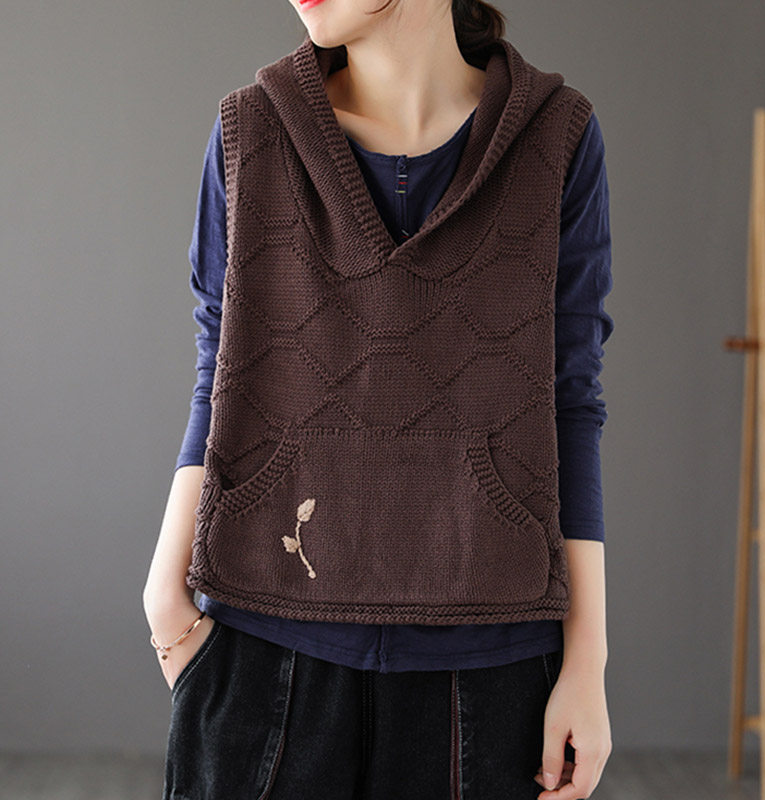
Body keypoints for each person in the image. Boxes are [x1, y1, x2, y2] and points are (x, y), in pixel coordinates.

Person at [143, 1, 614, 798]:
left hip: (491, 666)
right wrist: (165, 596)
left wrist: (587, 661)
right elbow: (220, 370)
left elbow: (571, 396)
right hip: (265, 646)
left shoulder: (557, 135)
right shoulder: (250, 131)